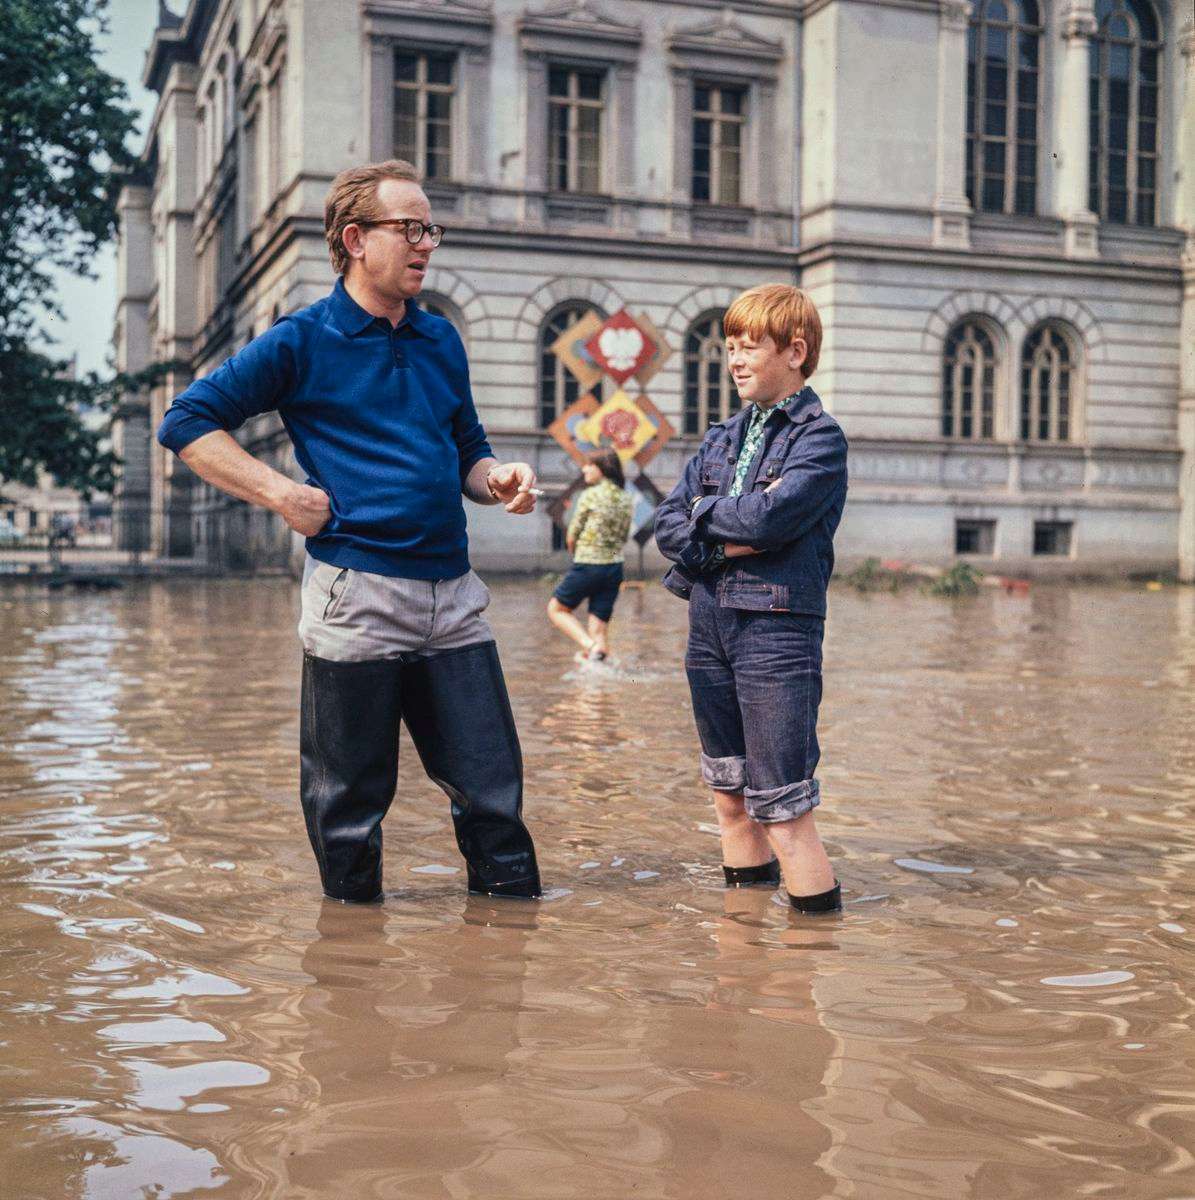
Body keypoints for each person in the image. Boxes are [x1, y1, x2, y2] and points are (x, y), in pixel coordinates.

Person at [156, 159, 541, 903]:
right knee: (349, 808)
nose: (426, 243)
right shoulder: (301, 339)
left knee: (493, 791)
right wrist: (279, 493)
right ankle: (350, 973)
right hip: (355, 596)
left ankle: (507, 959)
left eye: (431, 229)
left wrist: (496, 480)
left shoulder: (440, 340)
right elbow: (186, 422)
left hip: (453, 597)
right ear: (356, 238)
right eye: (411, 228)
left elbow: (466, 448)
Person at [654, 284, 848, 915]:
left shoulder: (820, 440)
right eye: (729, 348)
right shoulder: (720, 438)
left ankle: (803, 970)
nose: (734, 361)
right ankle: (741, 962)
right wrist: (719, 531)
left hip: (777, 630)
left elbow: (771, 520)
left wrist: (704, 520)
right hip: (708, 623)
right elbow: (665, 524)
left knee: (783, 804)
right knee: (729, 798)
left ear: (795, 351)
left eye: (748, 348)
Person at [547, 449, 633, 662]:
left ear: (601, 469)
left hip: (588, 564)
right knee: (598, 628)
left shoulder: (589, 495)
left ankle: (591, 647)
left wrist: (576, 553)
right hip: (614, 568)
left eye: (588, 465)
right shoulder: (625, 497)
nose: (584, 469)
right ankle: (598, 676)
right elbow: (623, 536)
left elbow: (572, 534)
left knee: (556, 609)